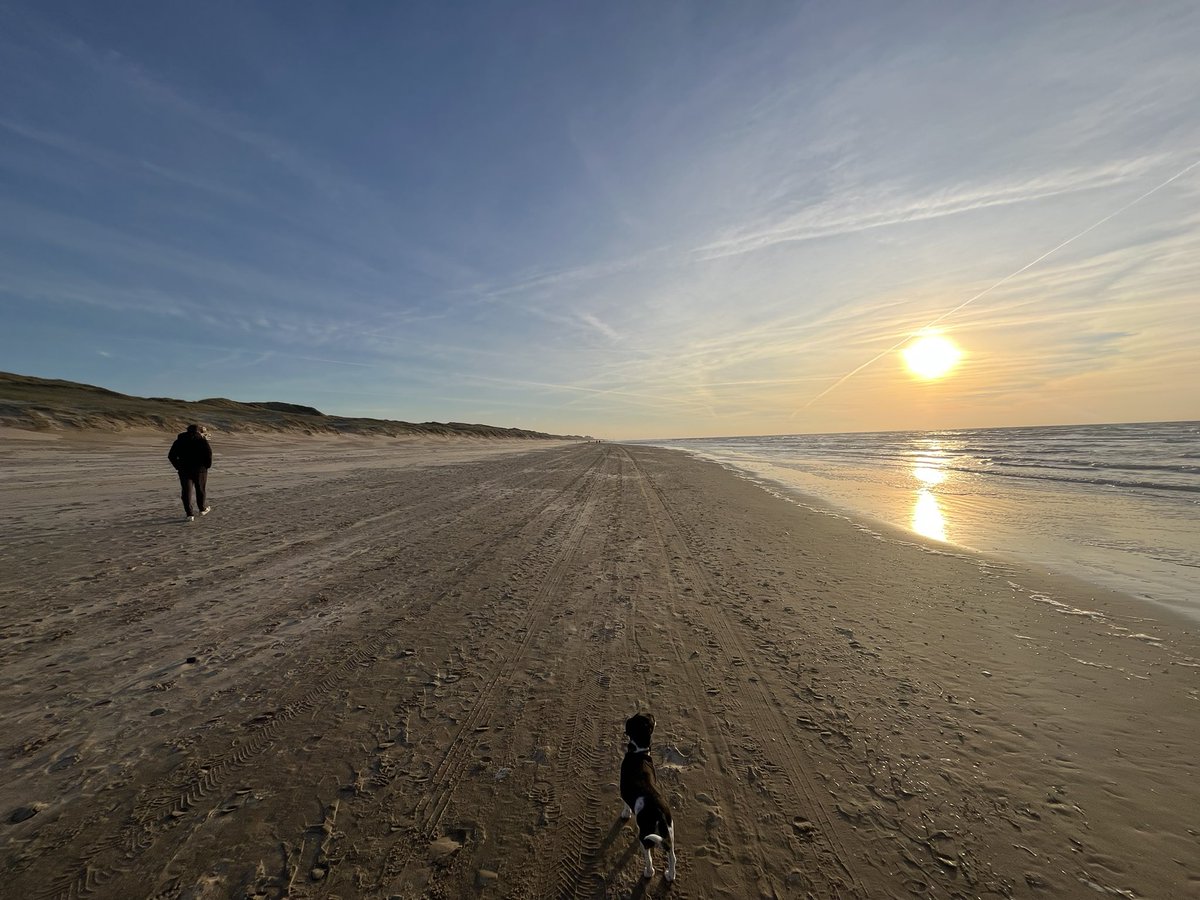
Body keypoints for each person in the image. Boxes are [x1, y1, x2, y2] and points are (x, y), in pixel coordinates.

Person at [168, 424, 213, 522]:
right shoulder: (202, 440)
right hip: (200, 469)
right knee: (200, 489)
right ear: (198, 431)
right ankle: (202, 509)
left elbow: (171, 455)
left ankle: (189, 514)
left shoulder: (179, 440)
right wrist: (207, 465)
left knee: (186, 491)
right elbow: (208, 454)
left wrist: (178, 466)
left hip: (184, 469)